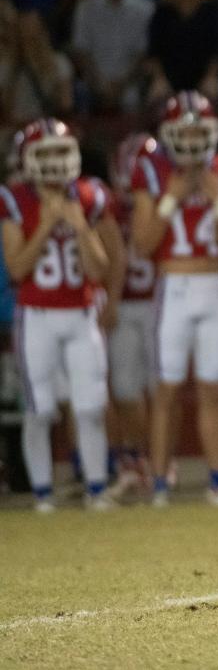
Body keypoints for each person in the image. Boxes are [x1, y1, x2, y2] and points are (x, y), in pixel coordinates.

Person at [131, 91, 218, 507]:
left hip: (214, 286)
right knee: (166, 390)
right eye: (186, 130)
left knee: (214, 390)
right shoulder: (151, 170)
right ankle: (159, 484)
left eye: (201, 130)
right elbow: (143, 244)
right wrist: (171, 199)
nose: (194, 139)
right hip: (174, 287)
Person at [0, 119, 115, 511]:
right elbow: (17, 268)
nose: (53, 162)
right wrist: (46, 226)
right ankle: (43, 495)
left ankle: (97, 489)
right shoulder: (15, 199)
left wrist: (80, 226)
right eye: (44, 153)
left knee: (89, 406)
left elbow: (99, 269)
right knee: (40, 409)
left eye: (59, 151)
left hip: (81, 313)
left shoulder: (87, 195)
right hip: (36, 315)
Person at [105, 132, 159, 498]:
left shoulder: (164, 199)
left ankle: (159, 460)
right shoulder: (104, 205)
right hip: (123, 303)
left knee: (161, 387)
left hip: (159, 301)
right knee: (125, 388)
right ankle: (133, 458)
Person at [72, 0, 154, 115]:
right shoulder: (86, 8)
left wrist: (121, 84)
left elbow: (144, 54)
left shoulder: (145, 7)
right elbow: (81, 51)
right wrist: (99, 83)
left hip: (132, 83)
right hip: (94, 83)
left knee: (133, 97)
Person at [146, 0, 218, 102]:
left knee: (212, 90)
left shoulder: (212, 10)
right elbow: (154, 50)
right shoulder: (163, 11)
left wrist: (210, 77)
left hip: (202, 75)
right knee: (156, 93)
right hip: (168, 75)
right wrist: (160, 78)